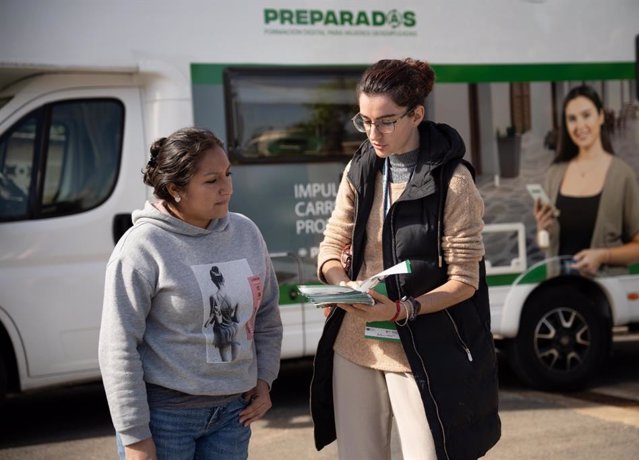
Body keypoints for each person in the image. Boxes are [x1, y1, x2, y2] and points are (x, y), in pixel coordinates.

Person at [310, 58, 501, 460]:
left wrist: (401, 309)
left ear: (417, 114)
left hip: (423, 347)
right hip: (353, 342)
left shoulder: (454, 181)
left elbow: (465, 281)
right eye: (364, 121)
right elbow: (332, 242)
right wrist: (338, 280)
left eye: (386, 121)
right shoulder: (360, 168)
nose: (373, 133)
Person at [98, 127, 283, 460]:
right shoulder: (141, 248)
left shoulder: (246, 232)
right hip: (165, 419)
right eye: (211, 180)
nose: (226, 188)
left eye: (228, 174)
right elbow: (118, 347)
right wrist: (135, 438)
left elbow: (267, 312)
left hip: (232, 415)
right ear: (174, 189)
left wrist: (264, 378)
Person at [534, 85, 639, 276]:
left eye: (586, 115)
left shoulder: (622, 174)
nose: (580, 126)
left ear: (601, 116)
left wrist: (603, 255)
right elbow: (545, 246)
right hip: (561, 293)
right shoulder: (554, 174)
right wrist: (542, 229)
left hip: (606, 294)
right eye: (572, 119)